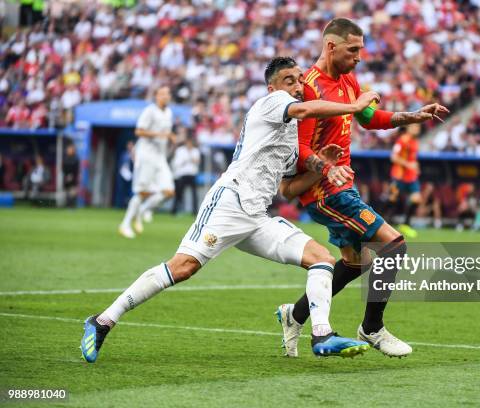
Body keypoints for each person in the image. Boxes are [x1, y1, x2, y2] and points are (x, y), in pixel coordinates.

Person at [80, 57, 381, 363]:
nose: (298, 85)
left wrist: (322, 167)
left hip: (257, 217)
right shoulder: (271, 102)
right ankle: (102, 321)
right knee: (183, 266)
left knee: (322, 259)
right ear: (273, 86)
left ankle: (322, 335)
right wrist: (355, 107)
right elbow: (304, 109)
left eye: (300, 79)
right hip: (229, 202)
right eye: (289, 80)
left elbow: (288, 190)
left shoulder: (291, 136)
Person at [277, 18, 449, 358]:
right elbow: (302, 148)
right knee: (394, 244)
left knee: (355, 263)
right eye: (353, 49)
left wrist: (412, 116)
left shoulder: (347, 80)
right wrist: (327, 168)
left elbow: (369, 118)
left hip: (342, 185)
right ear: (331, 47)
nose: (360, 56)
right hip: (324, 191)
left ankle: (294, 315)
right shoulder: (308, 86)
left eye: (361, 49)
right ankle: (372, 328)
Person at [119, 86, 176, 238]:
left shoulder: (169, 112)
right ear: (156, 96)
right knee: (143, 191)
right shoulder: (150, 111)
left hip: (160, 157)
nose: (165, 96)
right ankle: (125, 224)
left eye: (167, 93)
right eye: (162, 93)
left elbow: (166, 134)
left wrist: (170, 137)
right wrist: (161, 134)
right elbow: (139, 131)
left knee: (169, 191)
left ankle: (142, 211)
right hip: (146, 156)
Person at [390, 124, 422, 238]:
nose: (417, 129)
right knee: (392, 200)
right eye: (415, 127)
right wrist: (409, 165)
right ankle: (380, 223)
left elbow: (412, 159)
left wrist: (416, 168)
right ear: (408, 127)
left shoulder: (415, 141)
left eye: (418, 127)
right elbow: (393, 157)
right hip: (399, 175)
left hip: (411, 176)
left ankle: (405, 224)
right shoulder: (402, 140)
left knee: (416, 198)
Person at [171, 137, 200, 216]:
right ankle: (174, 210)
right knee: (178, 193)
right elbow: (177, 163)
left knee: (194, 194)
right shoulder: (180, 150)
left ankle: (195, 212)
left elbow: (197, 161)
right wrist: (187, 160)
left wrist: (189, 160)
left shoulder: (195, 150)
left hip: (192, 174)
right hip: (182, 175)